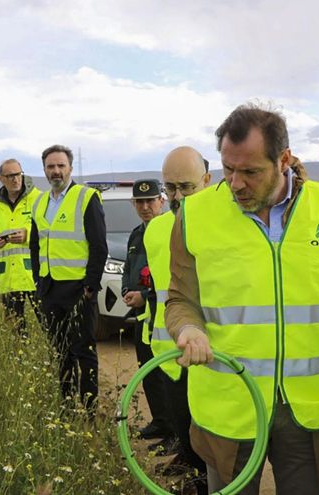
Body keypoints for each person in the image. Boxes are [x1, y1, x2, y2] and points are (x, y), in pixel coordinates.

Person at [164, 104, 319, 495]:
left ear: (284, 160)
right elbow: (179, 299)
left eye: (251, 171)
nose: (236, 183)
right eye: (228, 169)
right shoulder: (194, 214)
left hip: (309, 412)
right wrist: (188, 328)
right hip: (229, 409)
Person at [144, 147, 212, 492]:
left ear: (208, 180)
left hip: (210, 347)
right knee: (180, 416)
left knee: (208, 427)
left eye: (186, 187)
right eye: (170, 189)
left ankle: (201, 477)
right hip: (166, 342)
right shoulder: (155, 229)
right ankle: (186, 459)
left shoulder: (220, 226)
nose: (177, 196)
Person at [29, 144, 108, 413]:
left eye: (61, 166)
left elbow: (99, 246)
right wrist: (38, 282)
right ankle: (66, 405)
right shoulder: (39, 202)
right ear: (44, 170)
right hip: (50, 289)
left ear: (70, 168)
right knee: (60, 351)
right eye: (51, 166)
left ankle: (89, 408)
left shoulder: (86, 198)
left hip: (78, 290)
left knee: (83, 351)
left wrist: (90, 287)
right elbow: (35, 245)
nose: (56, 171)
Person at [121, 179, 174, 445]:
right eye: (139, 202)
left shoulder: (171, 231)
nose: (145, 207)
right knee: (149, 372)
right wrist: (126, 291)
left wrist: (145, 296)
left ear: (161, 201)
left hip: (164, 317)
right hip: (142, 319)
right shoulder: (136, 234)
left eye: (150, 201)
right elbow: (128, 268)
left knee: (168, 376)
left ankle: (176, 433)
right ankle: (161, 422)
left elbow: (171, 278)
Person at [0, 158, 41, 333]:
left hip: (36, 276)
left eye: (18, 174)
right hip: (8, 278)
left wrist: (28, 235)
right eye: (10, 176)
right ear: (1, 178)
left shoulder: (39, 198)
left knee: (49, 325)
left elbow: (50, 232)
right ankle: (19, 359)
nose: (15, 179)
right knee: (15, 330)